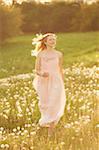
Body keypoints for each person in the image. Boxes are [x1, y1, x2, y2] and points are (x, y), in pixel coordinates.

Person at [31, 32, 66, 136]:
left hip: (56, 81)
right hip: (44, 81)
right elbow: (36, 70)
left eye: (54, 39)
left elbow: (60, 69)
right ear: (45, 42)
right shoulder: (40, 54)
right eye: (50, 39)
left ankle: (51, 130)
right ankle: (44, 121)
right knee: (45, 103)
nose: (53, 41)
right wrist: (42, 74)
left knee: (54, 102)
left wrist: (62, 83)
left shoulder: (59, 54)